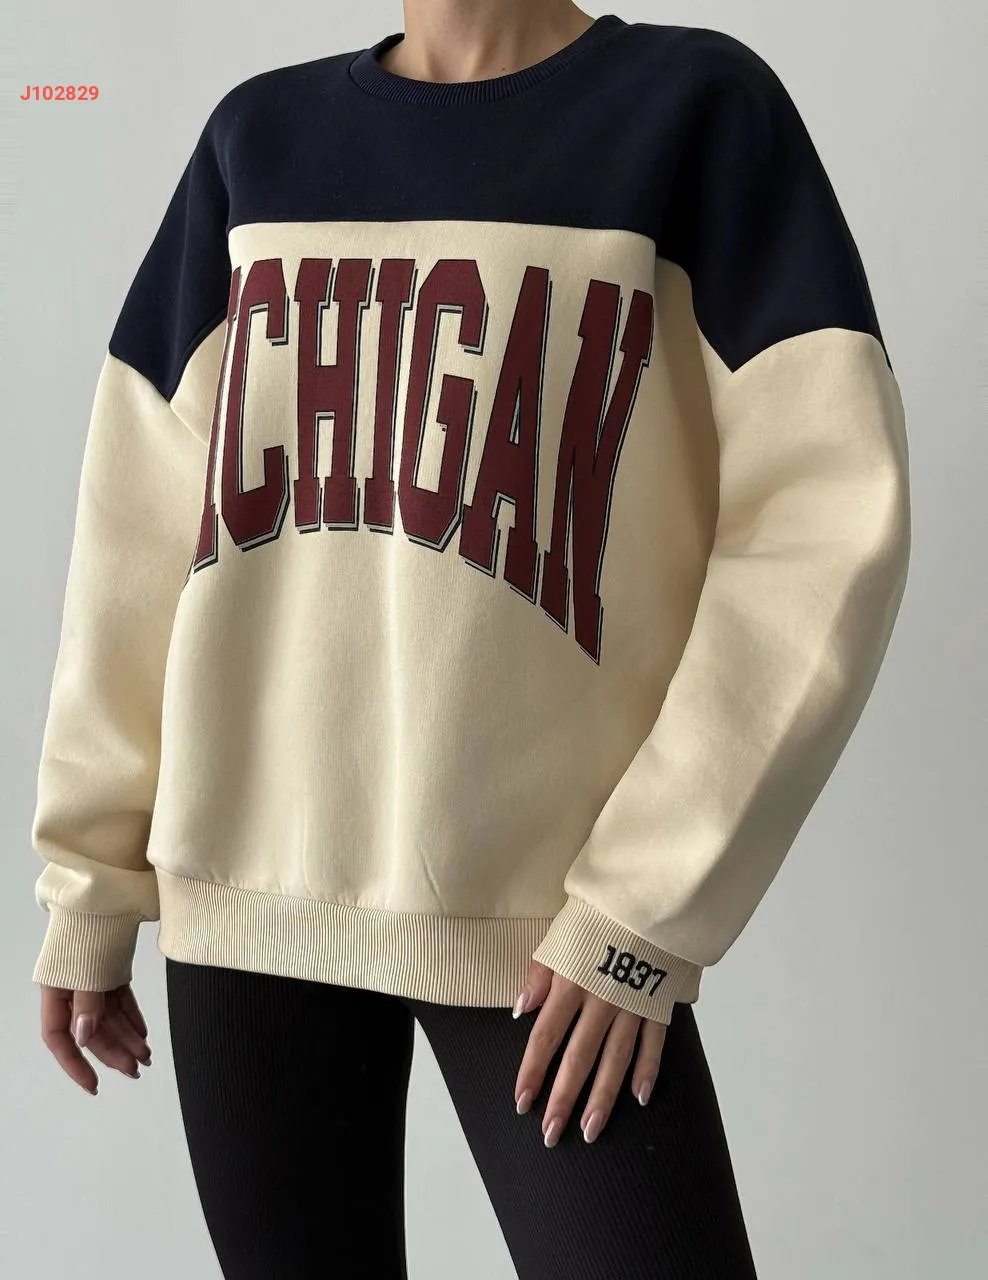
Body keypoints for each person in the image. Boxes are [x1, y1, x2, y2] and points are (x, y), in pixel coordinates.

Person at [29, 2, 911, 1277]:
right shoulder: (258, 141)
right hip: (247, 903)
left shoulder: (692, 111)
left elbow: (824, 524)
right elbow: (135, 527)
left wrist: (642, 909)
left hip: (554, 928)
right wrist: (89, 876)